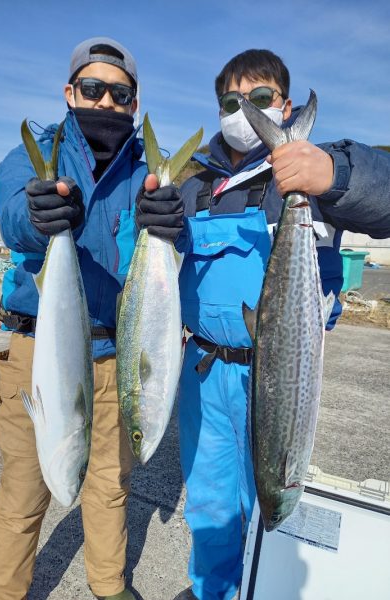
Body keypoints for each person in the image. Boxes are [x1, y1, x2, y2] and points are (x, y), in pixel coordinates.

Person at [136, 49, 390, 600]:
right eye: (231, 101)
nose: (242, 109)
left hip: (277, 373)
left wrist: (334, 171)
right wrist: (147, 215)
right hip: (202, 372)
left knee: (266, 504)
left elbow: (386, 199)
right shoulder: (196, 182)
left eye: (259, 98)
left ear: (286, 105)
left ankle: (264, 590)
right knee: (208, 502)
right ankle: (212, 591)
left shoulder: (308, 168)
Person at [0, 37, 149, 600]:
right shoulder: (31, 155)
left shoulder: (146, 173)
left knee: (109, 488)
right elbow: (12, 217)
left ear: (134, 101)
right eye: (92, 88)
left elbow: (157, 262)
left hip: (112, 359)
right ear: (70, 90)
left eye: (118, 92)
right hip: (40, 355)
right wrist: (38, 212)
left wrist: (172, 226)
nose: (104, 102)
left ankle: (109, 587)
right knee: (24, 493)